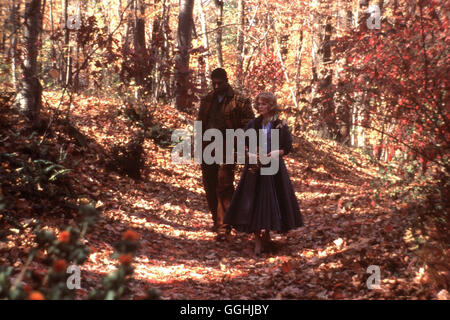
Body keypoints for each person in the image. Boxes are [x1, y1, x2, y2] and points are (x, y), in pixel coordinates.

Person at [224, 92, 303, 255]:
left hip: (274, 168)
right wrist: (251, 152)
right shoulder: (254, 123)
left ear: (271, 105)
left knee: (271, 201)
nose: (260, 107)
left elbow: (288, 147)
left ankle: (267, 236)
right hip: (256, 167)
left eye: (264, 104)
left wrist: (276, 153)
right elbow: (241, 140)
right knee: (252, 201)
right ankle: (257, 240)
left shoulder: (280, 124)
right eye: (258, 104)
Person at [197, 68, 255, 241]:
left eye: (219, 83)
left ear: (226, 81)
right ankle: (217, 220)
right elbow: (200, 122)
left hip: (229, 146)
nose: (216, 86)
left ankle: (225, 226)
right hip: (208, 146)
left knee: (225, 184)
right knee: (209, 184)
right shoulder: (207, 99)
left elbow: (249, 124)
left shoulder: (240, 100)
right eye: (213, 83)